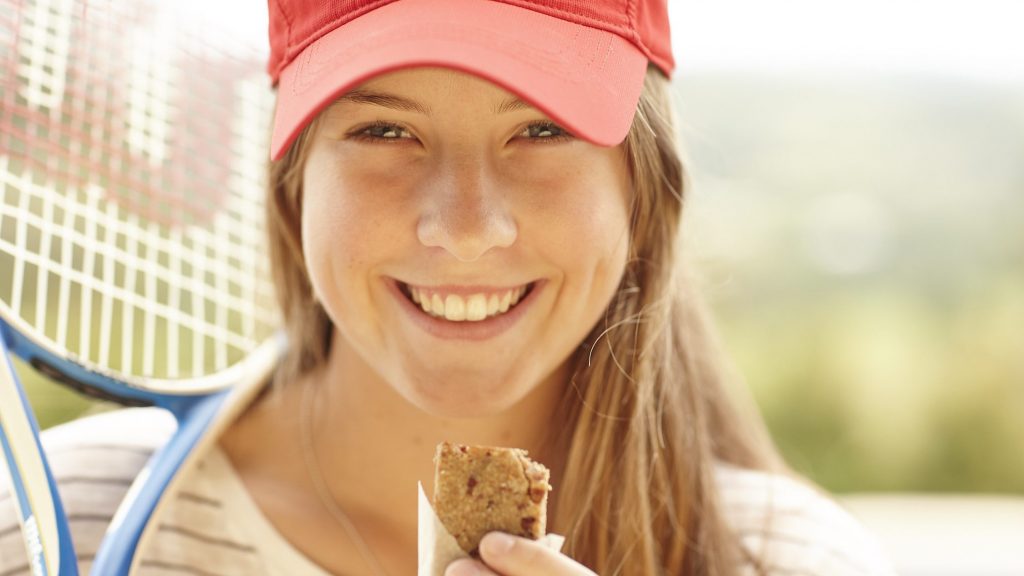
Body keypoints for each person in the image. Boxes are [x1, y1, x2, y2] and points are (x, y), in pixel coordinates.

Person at [0, 1, 896, 575]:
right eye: (387, 130)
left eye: (542, 130)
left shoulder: (789, 560)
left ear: (643, 189)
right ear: (293, 184)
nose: (466, 227)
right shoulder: (55, 526)